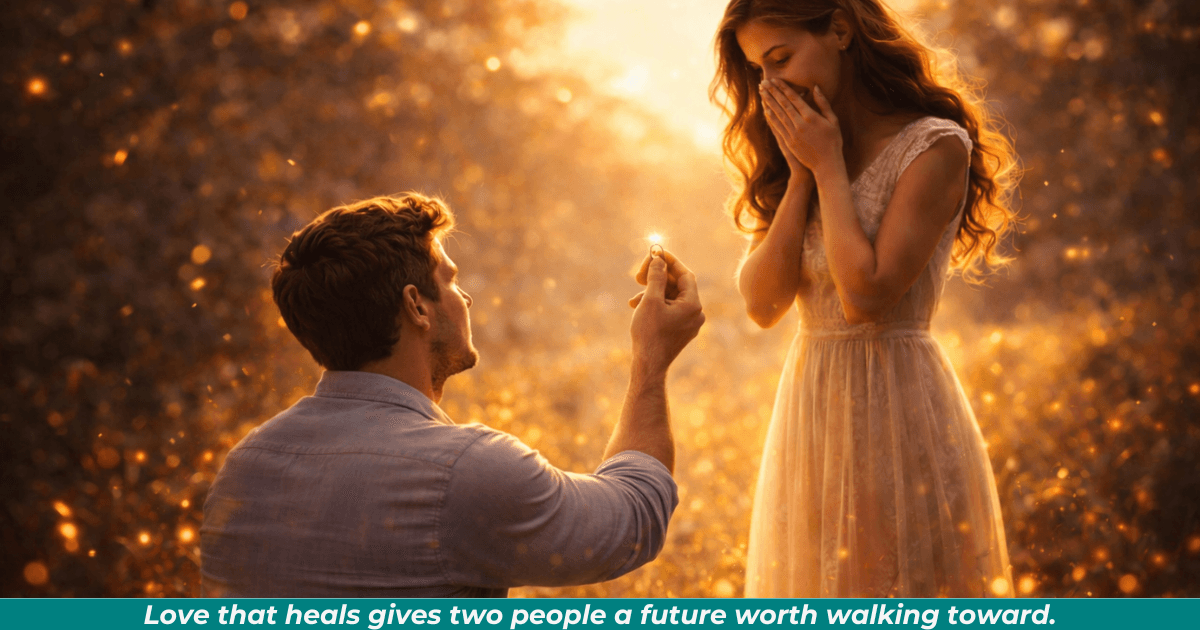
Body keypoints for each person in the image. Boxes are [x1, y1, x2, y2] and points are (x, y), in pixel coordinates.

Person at [199, 194, 704, 597]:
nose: (465, 297)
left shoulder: (246, 465)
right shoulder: (463, 470)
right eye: (451, 280)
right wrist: (650, 360)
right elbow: (633, 517)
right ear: (416, 306)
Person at [711, 0, 1019, 596]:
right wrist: (801, 174)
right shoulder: (796, 149)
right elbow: (763, 305)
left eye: (782, 58)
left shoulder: (933, 146)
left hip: (899, 401)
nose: (771, 84)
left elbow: (866, 297)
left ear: (841, 30)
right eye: (758, 70)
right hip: (812, 402)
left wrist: (828, 167)